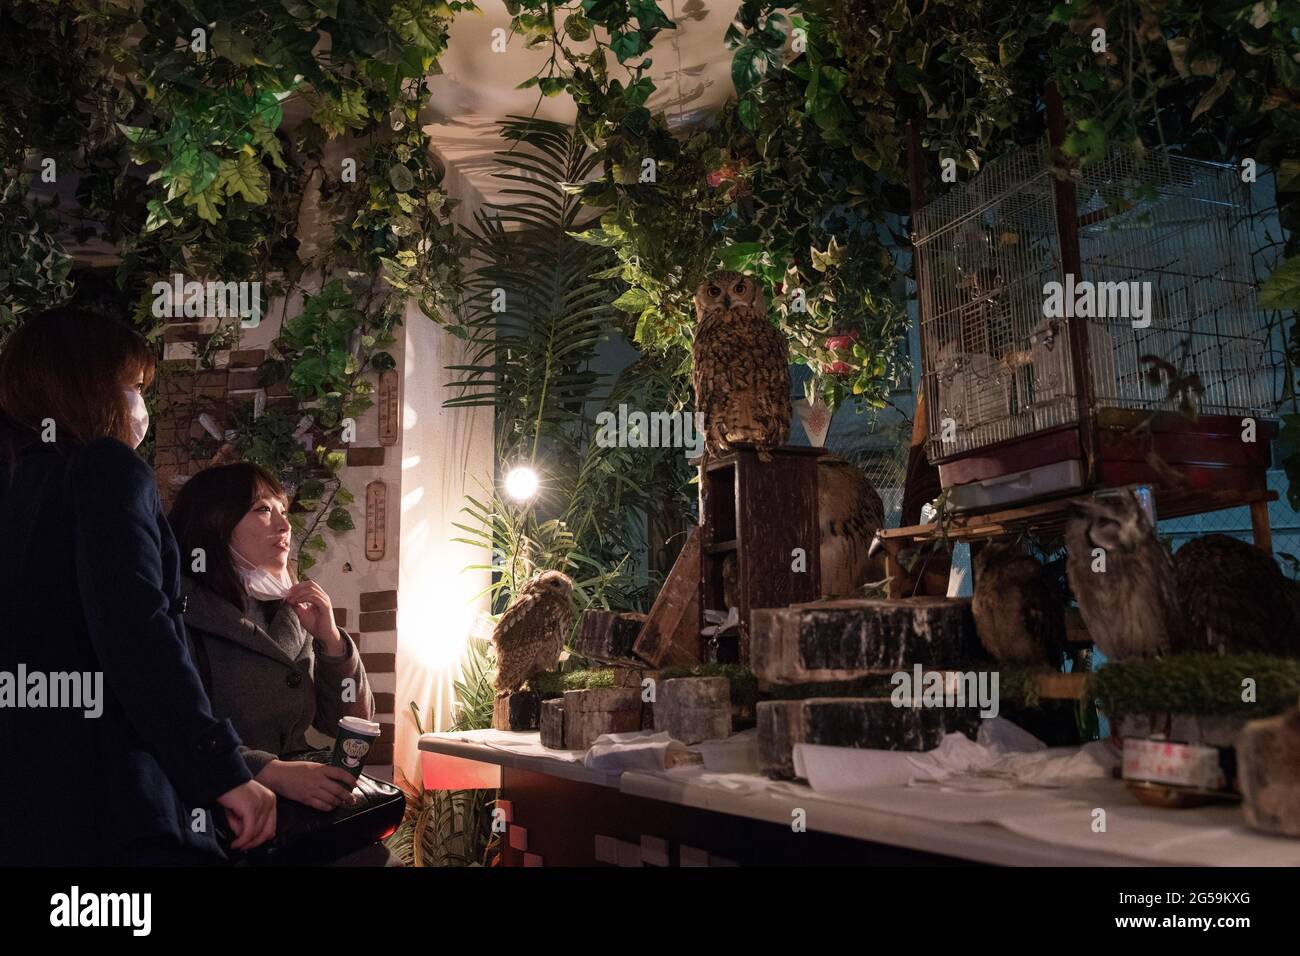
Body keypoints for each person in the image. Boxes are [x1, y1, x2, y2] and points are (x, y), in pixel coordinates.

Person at [0, 308, 276, 865]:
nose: (139, 406)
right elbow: (137, 630)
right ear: (91, 386)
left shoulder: (19, 483)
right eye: (132, 386)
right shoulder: (104, 466)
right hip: (112, 799)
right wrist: (220, 770)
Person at [168, 463, 375, 819]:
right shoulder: (180, 611)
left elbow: (349, 723)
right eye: (263, 509)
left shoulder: (290, 609)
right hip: (223, 809)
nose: (284, 525)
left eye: (283, 509)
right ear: (215, 522)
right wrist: (269, 772)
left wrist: (332, 640)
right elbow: (174, 730)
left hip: (299, 808)